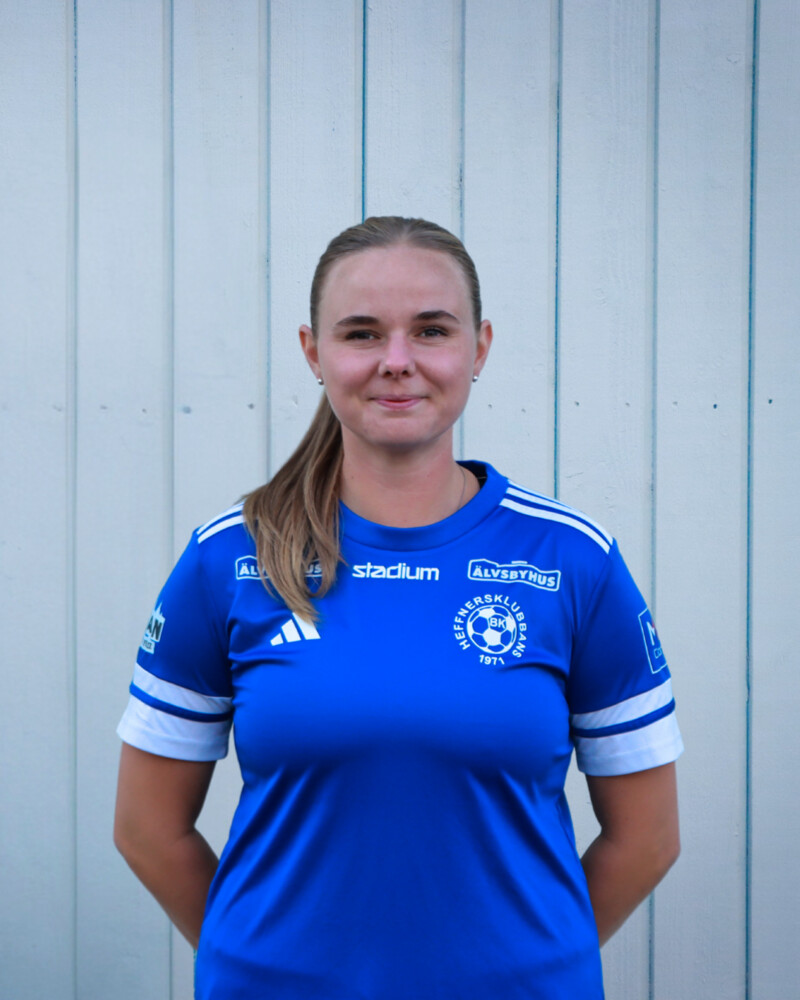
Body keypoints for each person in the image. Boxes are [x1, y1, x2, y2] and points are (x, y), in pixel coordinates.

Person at [114, 216, 682, 1000]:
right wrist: (256, 963)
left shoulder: (572, 561)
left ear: (479, 348)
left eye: (432, 330)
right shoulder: (231, 558)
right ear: (313, 352)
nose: (397, 360)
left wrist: (530, 965)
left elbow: (647, 838)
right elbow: (146, 829)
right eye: (361, 333)